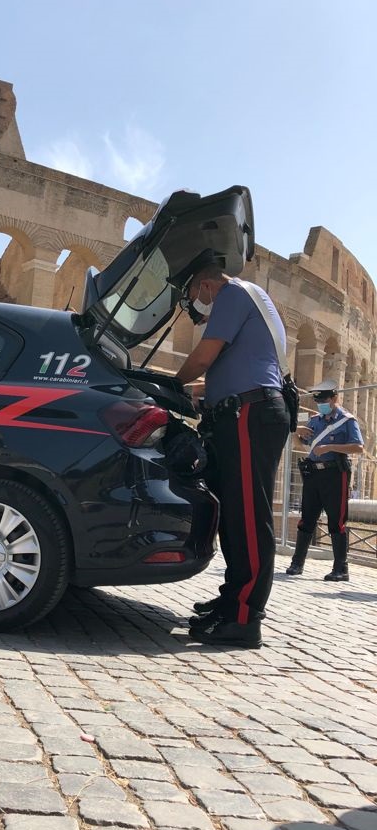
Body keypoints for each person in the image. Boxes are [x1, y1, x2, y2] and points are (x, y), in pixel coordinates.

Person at [175, 251, 290, 649]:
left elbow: (204, 356)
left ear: (206, 284)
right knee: (234, 515)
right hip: (240, 412)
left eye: (194, 294)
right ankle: (231, 600)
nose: (197, 305)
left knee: (248, 515)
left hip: (249, 412)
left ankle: (244, 617)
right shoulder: (244, 298)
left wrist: (172, 383)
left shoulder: (232, 294)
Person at [286, 381, 364, 581]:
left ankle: (341, 569)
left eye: (324, 400)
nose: (320, 404)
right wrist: (296, 433)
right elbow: (303, 445)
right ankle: (297, 563)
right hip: (314, 474)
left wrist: (330, 448)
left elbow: (358, 447)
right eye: (318, 401)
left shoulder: (347, 421)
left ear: (334, 398)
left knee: (336, 521)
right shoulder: (315, 421)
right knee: (307, 518)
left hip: (335, 474)